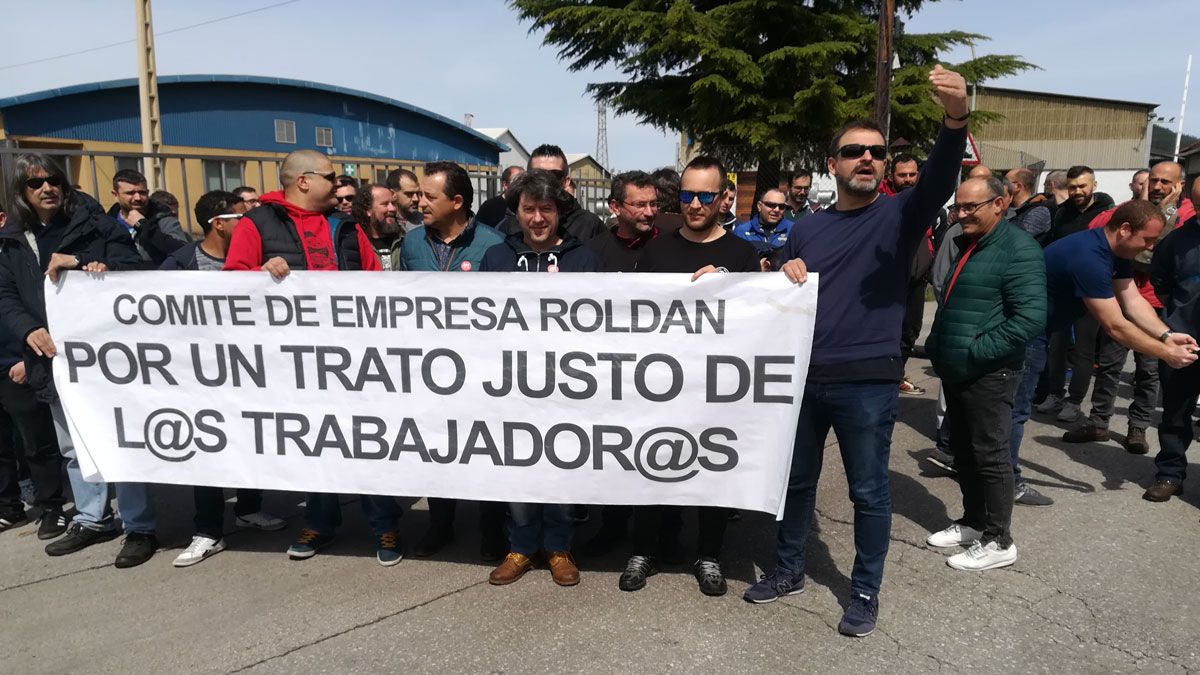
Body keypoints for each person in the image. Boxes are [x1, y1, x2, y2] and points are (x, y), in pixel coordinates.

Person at [742, 65, 969, 639]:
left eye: (875, 152)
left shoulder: (899, 214)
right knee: (795, 484)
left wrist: (955, 118)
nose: (867, 159)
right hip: (801, 379)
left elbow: (940, 179)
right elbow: (778, 294)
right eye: (853, 151)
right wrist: (783, 270)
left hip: (867, 382)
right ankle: (789, 568)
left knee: (868, 491)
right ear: (832, 164)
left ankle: (865, 590)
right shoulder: (806, 229)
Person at [223, 150, 398, 565]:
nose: (337, 186)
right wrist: (261, 273)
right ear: (303, 180)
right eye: (330, 177)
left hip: (354, 357)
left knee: (368, 440)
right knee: (318, 444)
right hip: (295, 362)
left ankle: (386, 525)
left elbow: (375, 282)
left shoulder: (346, 227)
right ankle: (320, 523)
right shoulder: (258, 223)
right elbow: (230, 285)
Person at [618, 155, 760, 598]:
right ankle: (644, 550)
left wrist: (727, 285)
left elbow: (760, 321)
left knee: (712, 470)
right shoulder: (657, 250)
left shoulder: (742, 254)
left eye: (704, 196)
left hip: (718, 387)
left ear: (723, 198)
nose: (694, 205)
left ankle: (709, 554)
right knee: (652, 464)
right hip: (659, 385)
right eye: (686, 195)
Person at [0, 153, 142, 562]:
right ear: (21, 194)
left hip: (110, 357)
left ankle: (139, 525)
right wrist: (29, 329)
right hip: (55, 360)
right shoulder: (12, 240)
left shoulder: (95, 225)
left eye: (53, 180)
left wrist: (85, 263)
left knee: (123, 441)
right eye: (35, 183)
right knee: (73, 447)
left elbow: (138, 268)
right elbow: (6, 296)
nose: (47, 188)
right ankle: (93, 518)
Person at [1010, 200, 1198, 505]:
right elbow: (1115, 325)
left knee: (1005, 408)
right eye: (1148, 239)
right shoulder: (1090, 256)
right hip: (1024, 333)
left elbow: (1132, 300)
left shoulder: (1116, 250)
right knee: (1015, 411)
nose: (1150, 247)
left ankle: (967, 459)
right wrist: (1165, 352)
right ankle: (1007, 482)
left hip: (1038, 329)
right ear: (1125, 229)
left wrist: (1166, 334)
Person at [479, 170, 600, 586]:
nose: (536, 218)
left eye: (545, 208)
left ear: (559, 211)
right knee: (520, 469)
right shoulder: (496, 258)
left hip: (568, 389)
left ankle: (559, 548)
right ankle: (521, 546)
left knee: (564, 470)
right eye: (528, 209)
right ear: (515, 211)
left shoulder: (584, 259)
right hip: (513, 388)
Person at [924, 177, 1046, 571]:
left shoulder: (1018, 249)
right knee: (964, 451)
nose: (960, 215)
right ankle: (975, 522)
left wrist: (978, 351)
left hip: (990, 372)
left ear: (999, 203)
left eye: (969, 208)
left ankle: (999, 539)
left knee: (991, 456)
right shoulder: (967, 243)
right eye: (957, 207)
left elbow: (1029, 318)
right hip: (959, 369)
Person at [163, 190, 286, 567]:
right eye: (241, 218)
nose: (250, 224)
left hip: (251, 371)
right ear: (219, 224)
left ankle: (249, 508)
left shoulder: (257, 261)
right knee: (209, 450)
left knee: (251, 439)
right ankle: (207, 530)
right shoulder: (183, 263)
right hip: (202, 376)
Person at [398, 161, 506, 560]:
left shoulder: (494, 245)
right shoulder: (410, 245)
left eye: (429, 196)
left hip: (480, 372)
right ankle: (439, 524)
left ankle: (492, 531)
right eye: (418, 195)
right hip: (429, 371)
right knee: (436, 449)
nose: (419, 202)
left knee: (487, 450)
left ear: (457, 201)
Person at [1064, 162, 1194, 452]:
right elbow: (1098, 227)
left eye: (1165, 182)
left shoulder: (1187, 216)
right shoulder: (1131, 208)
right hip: (1122, 299)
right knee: (1109, 365)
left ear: (1179, 186)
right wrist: (1143, 206)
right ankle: (1099, 422)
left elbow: (1171, 252)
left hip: (1156, 305)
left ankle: (1138, 428)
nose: (1158, 186)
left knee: (1148, 371)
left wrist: (1163, 218)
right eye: (1154, 180)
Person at [0, 201, 67, 539]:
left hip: (18, 362)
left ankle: (52, 506)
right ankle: (8, 507)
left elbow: (30, 307)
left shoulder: (16, 254)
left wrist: (25, 359)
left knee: (37, 441)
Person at [1038, 166, 1117, 423]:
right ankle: (1055, 394)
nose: (1078, 191)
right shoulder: (1062, 214)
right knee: (1056, 347)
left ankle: (1074, 400)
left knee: (1083, 349)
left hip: (1090, 291)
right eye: (1073, 187)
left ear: (1094, 185)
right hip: (1062, 292)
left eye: (1083, 186)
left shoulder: (1106, 214)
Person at [1147, 176, 1200, 501]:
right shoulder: (1176, 241)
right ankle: (1169, 473)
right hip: (1184, 340)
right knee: (1176, 413)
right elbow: (1162, 284)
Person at [890, 153, 944, 397]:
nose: (908, 179)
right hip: (889, 282)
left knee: (910, 330)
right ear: (892, 176)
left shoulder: (931, 206)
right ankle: (887, 376)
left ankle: (897, 375)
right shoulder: (883, 204)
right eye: (902, 175)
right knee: (888, 329)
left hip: (918, 282)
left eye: (912, 174)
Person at [495, 145, 605, 241]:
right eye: (539, 174)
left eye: (554, 175)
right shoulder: (509, 226)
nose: (546, 180)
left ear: (565, 182)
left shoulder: (589, 225)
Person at [107, 169, 190, 267]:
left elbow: (185, 252)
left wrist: (142, 225)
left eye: (142, 192)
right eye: (130, 193)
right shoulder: (107, 223)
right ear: (116, 195)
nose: (138, 198)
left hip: (156, 280)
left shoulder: (164, 220)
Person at [350, 183, 403, 271]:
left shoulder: (403, 241)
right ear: (368, 210)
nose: (392, 209)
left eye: (393, 203)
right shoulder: (357, 244)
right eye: (385, 204)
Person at [732, 188, 794, 256]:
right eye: (771, 205)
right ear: (759, 206)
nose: (777, 210)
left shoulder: (793, 229)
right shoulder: (742, 231)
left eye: (781, 206)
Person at [1005, 168, 1053, 245]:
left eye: (1006, 183)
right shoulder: (1010, 208)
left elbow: (1014, 238)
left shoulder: (1039, 211)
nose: (1003, 186)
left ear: (1018, 186)